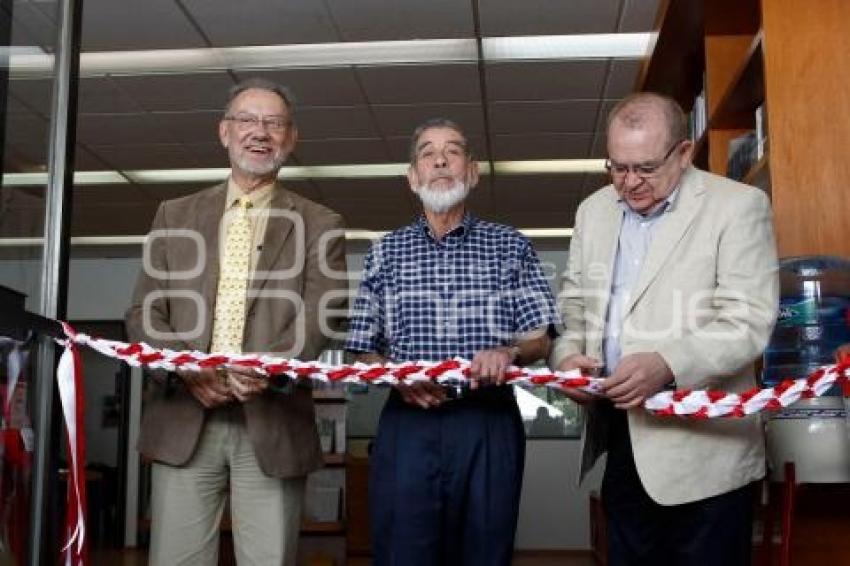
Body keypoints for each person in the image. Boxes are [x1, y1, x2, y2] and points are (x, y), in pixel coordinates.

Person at [550, 92, 779, 566]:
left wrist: (668, 365)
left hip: (706, 458)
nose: (629, 183)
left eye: (646, 168)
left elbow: (748, 320)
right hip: (621, 440)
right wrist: (567, 359)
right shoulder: (593, 211)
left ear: (683, 151)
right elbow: (574, 309)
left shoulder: (737, 206)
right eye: (617, 167)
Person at [125, 78, 347, 565]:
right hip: (184, 416)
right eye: (247, 120)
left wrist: (271, 366)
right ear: (224, 132)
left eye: (274, 123)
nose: (259, 132)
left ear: (291, 139)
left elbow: (324, 310)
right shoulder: (174, 214)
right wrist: (187, 368)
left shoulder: (320, 222)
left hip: (273, 421)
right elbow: (145, 312)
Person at [345, 118, 559, 566]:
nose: (440, 159)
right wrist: (396, 376)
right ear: (412, 177)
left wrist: (511, 352)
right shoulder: (385, 252)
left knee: (485, 551)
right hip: (408, 422)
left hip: (488, 421)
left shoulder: (511, 246)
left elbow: (542, 337)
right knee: (403, 552)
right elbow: (362, 347)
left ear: (474, 171)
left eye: (453, 150)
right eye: (427, 152)